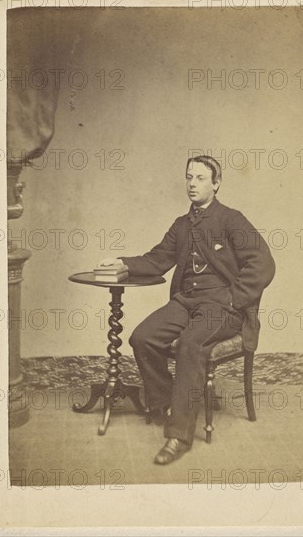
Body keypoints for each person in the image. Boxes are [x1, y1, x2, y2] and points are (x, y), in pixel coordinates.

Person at [99, 155, 275, 465]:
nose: (193, 184)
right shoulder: (181, 225)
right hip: (186, 302)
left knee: (192, 345)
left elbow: (263, 263)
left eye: (201, 178)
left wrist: (234, 299)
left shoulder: (232, 220)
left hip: (222, 307)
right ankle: (167, 403)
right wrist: (124, 263)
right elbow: (156, 260)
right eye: (189, 178)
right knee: (143, 338)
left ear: (216, 184)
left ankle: (178, 435)